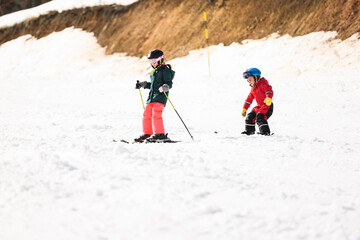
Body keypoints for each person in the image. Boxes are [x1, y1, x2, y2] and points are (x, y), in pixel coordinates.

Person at [134, 49, 175, 142]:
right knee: (146, 115)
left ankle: (160, 134)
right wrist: (143, 84)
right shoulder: (154, 72)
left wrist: (165, 87)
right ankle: (147, 133)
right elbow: (153, 86)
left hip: (160, 97)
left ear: (160, 60)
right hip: (151, 97)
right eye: (150, 62)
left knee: (156, 115)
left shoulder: (165, 70)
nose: (152, 64)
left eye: (153, 61)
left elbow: (169, 83)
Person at [241, 68, 274, 135]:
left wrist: (268, 98)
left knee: (260, 117)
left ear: (256, 77)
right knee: (250, 116)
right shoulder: (253, 88)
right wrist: (245, 108)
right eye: (248, 81)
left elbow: (269, 91)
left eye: (250, 80)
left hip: (267, 106)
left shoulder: (263, 84)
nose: (249, 82)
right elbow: (249, 99)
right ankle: (249, 131)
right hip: (259, 107)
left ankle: (265, 132)